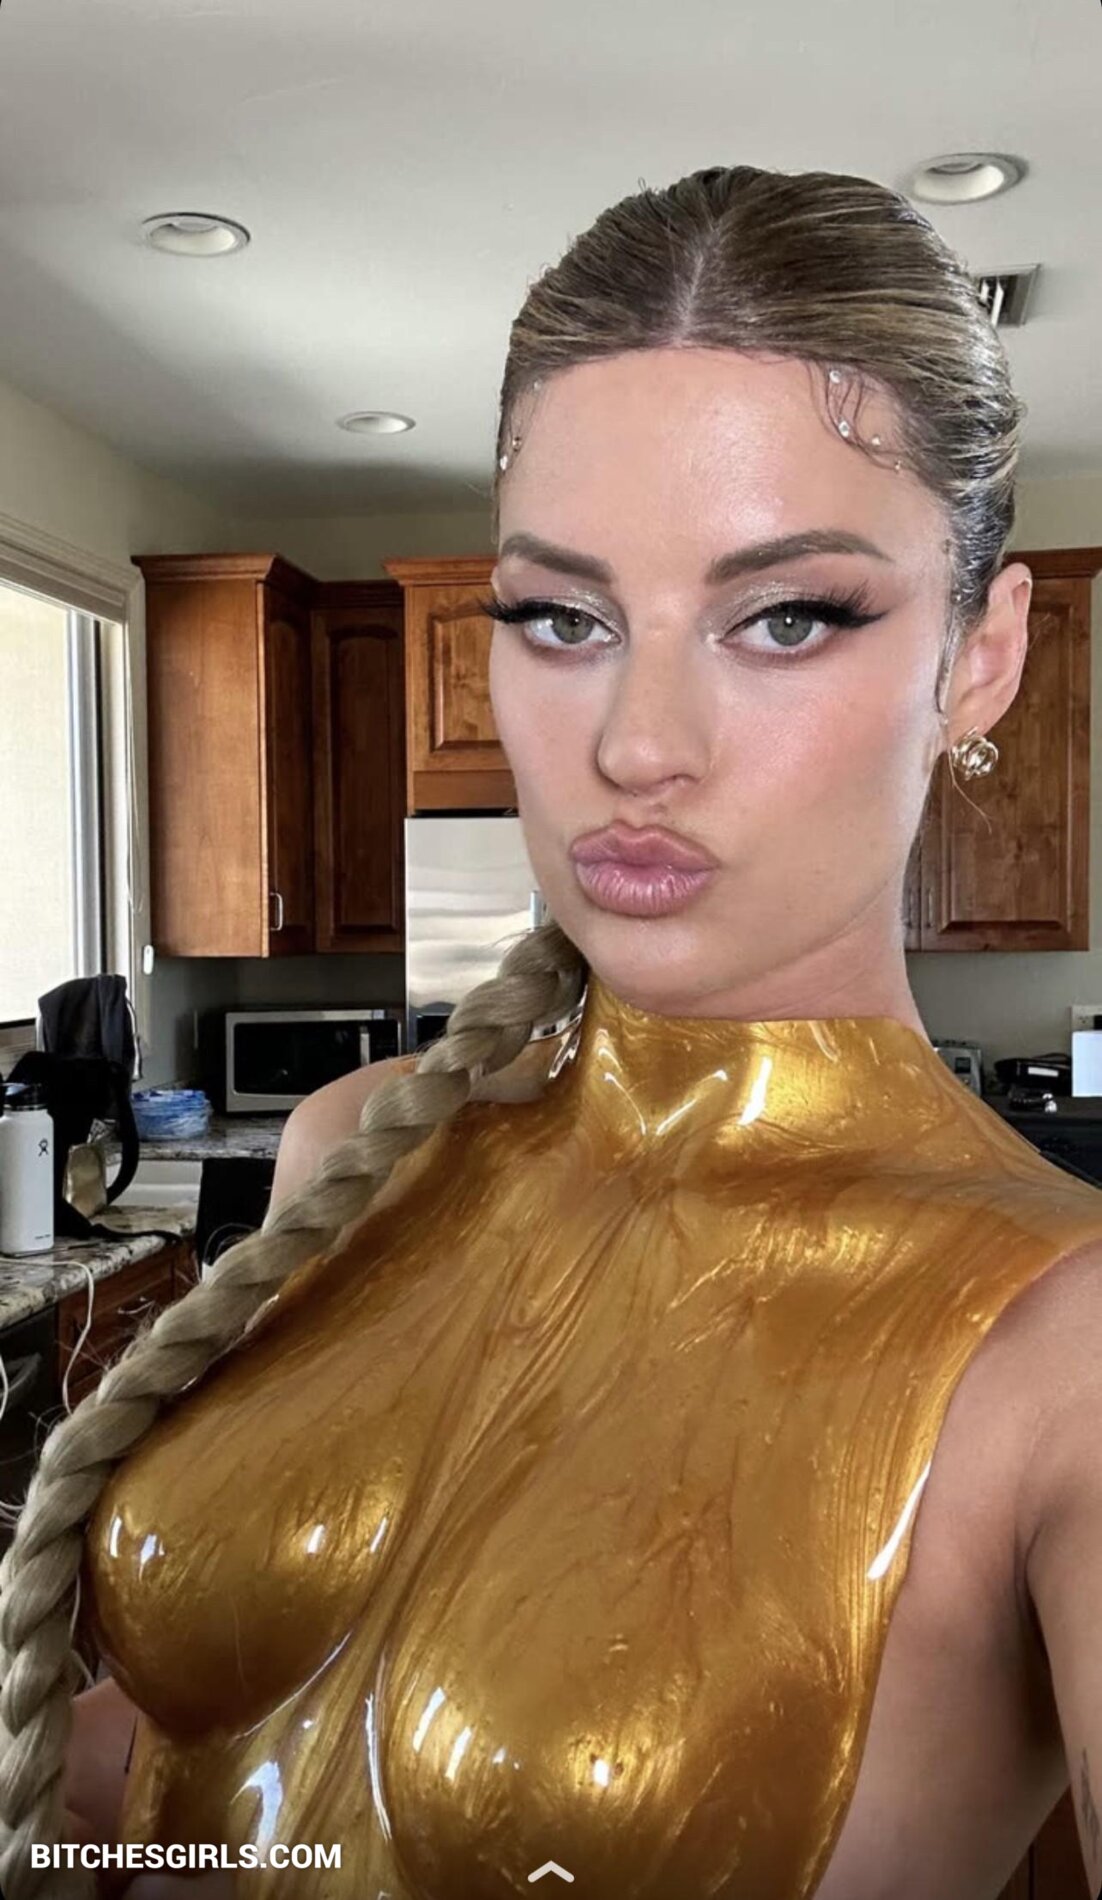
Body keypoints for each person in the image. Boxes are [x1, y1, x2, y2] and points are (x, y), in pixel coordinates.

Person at [3, 162, 1102, 1900]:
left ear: (978, 656)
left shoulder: (1063, 1358)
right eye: (560, 618)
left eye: (787, 617)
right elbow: (186, 1764)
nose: (634, 746)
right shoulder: (357, 1150)